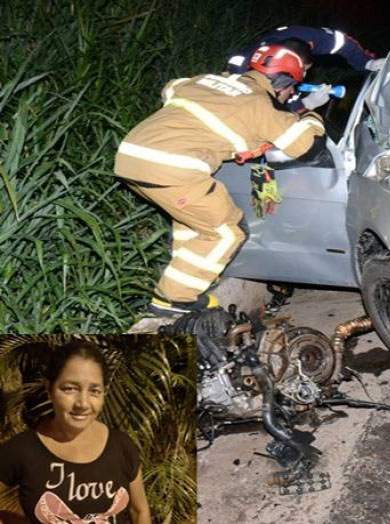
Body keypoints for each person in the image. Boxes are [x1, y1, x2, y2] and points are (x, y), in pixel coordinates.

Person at [114, 42, 325, 316]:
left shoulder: (205, 81)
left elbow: (171, 87)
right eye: (291, 87)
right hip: (172, 167)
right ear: (282, 82)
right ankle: (174, 299)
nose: (291, 93)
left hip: (131, 156)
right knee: (228, 230)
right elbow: (309, 148)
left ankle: (196, 279)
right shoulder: (261, 106)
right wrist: (310, 114)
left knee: (193, 225)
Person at [0, 341, 151, 523]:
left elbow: (139, 510)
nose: (82, 404)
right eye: (70, 389)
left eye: (94, 391)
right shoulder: (21, 450)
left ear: (104, 393)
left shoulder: (122, 446)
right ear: (49, 390)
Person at [226, 26, 386, 113]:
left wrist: (366, 63)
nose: (303, 77)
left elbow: (342, 42)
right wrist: (306, 104)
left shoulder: (305, 37)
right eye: (298, 73)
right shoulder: (242, 74)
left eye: (304, 70)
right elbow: (268, 116)